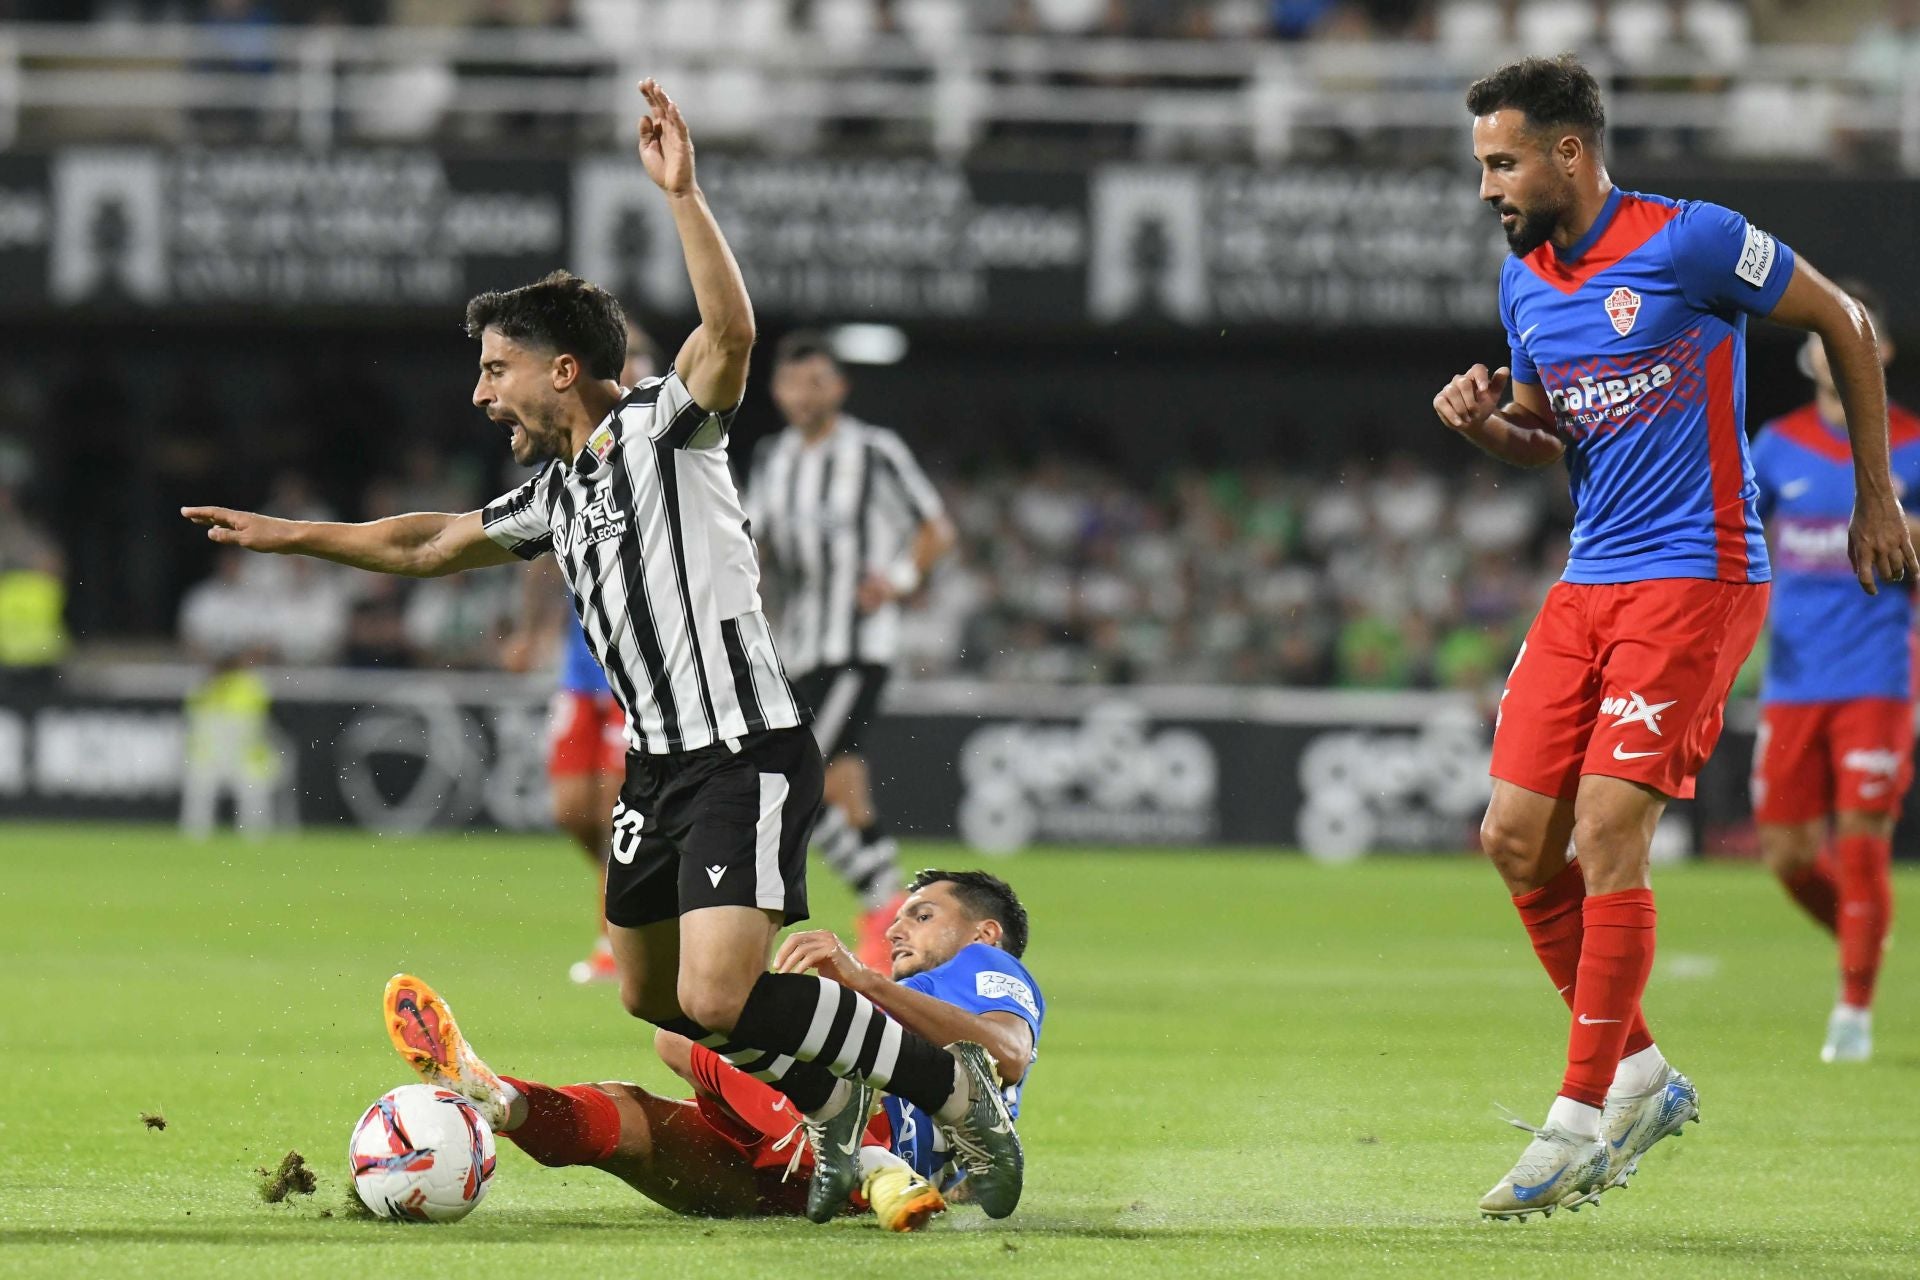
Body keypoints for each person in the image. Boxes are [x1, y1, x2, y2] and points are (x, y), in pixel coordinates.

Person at [181, 80, 1023, 1224]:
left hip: (742, 748)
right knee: (655, 996)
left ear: (561, 369)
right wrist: (292, 535)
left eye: (495, 369)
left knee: (723, 991)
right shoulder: (558, 492)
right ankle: (831, 1114)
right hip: (660, 771)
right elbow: (430, 540)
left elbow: (728, 336)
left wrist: (685, 196)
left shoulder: (659, 431)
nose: (481, 393)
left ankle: (942, 1084)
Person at [1431, 55, 1916, 1220]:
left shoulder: (1691, 240)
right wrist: (1494, 430)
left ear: (1568, 153)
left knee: (1608, 829)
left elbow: (1843, 321)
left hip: (1701, 572)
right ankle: (1641, 1072)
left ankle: (1576, 1120)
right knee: (1512, 837)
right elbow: (1558, 438)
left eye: (1504, 161)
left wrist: (1876, 495)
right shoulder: (1526, 285)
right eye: (1482, 164)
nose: (1489, 185)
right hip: (1591, 577)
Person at [379, 869, 1042, 1232]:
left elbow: (1009, 1052)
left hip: (874, 1134)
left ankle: (866, 1161)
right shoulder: (902, 1002)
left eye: (921, 915)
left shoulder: (982, 965)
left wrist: (866, 981)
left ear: (983, 932)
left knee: (683, 1027)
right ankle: (503, 1101)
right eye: (898, 915)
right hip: (801, 1176)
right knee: (631, 1123)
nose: (897, 927)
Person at [1748, 280, 1920, 1064]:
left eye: (1857, 328)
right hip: (1792, 678)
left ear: (1878, 353)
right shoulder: (1776, 446)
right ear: (1807, 350)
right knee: (1786, 855)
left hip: (1879, 674)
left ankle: (1852, 1009)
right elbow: (1737, 541)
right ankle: (1863, 934)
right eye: (1823, 329)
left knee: (1861, 843)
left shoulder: (1912, 448)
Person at [746, 332, 957, 969]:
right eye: (790, 383)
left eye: (816, 381)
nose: (802, 394)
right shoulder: (773, 458)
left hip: (856, 646)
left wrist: (897, 581)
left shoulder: (872, 450)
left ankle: (880, 907)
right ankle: (896, 915)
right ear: (777, 392)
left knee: (790, 771)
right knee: (841, 787)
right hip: (801, 646)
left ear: (838, 387)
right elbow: (755, 544)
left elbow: (934, 527)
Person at [503, 319, 663, 985]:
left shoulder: (663, 452)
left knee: (620, 807)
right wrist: (531, 628)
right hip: (580, 664)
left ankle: (620, 939)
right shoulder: (569, 466)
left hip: (641, 672)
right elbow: (539, 556)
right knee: (574, 808)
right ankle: (622, 922)